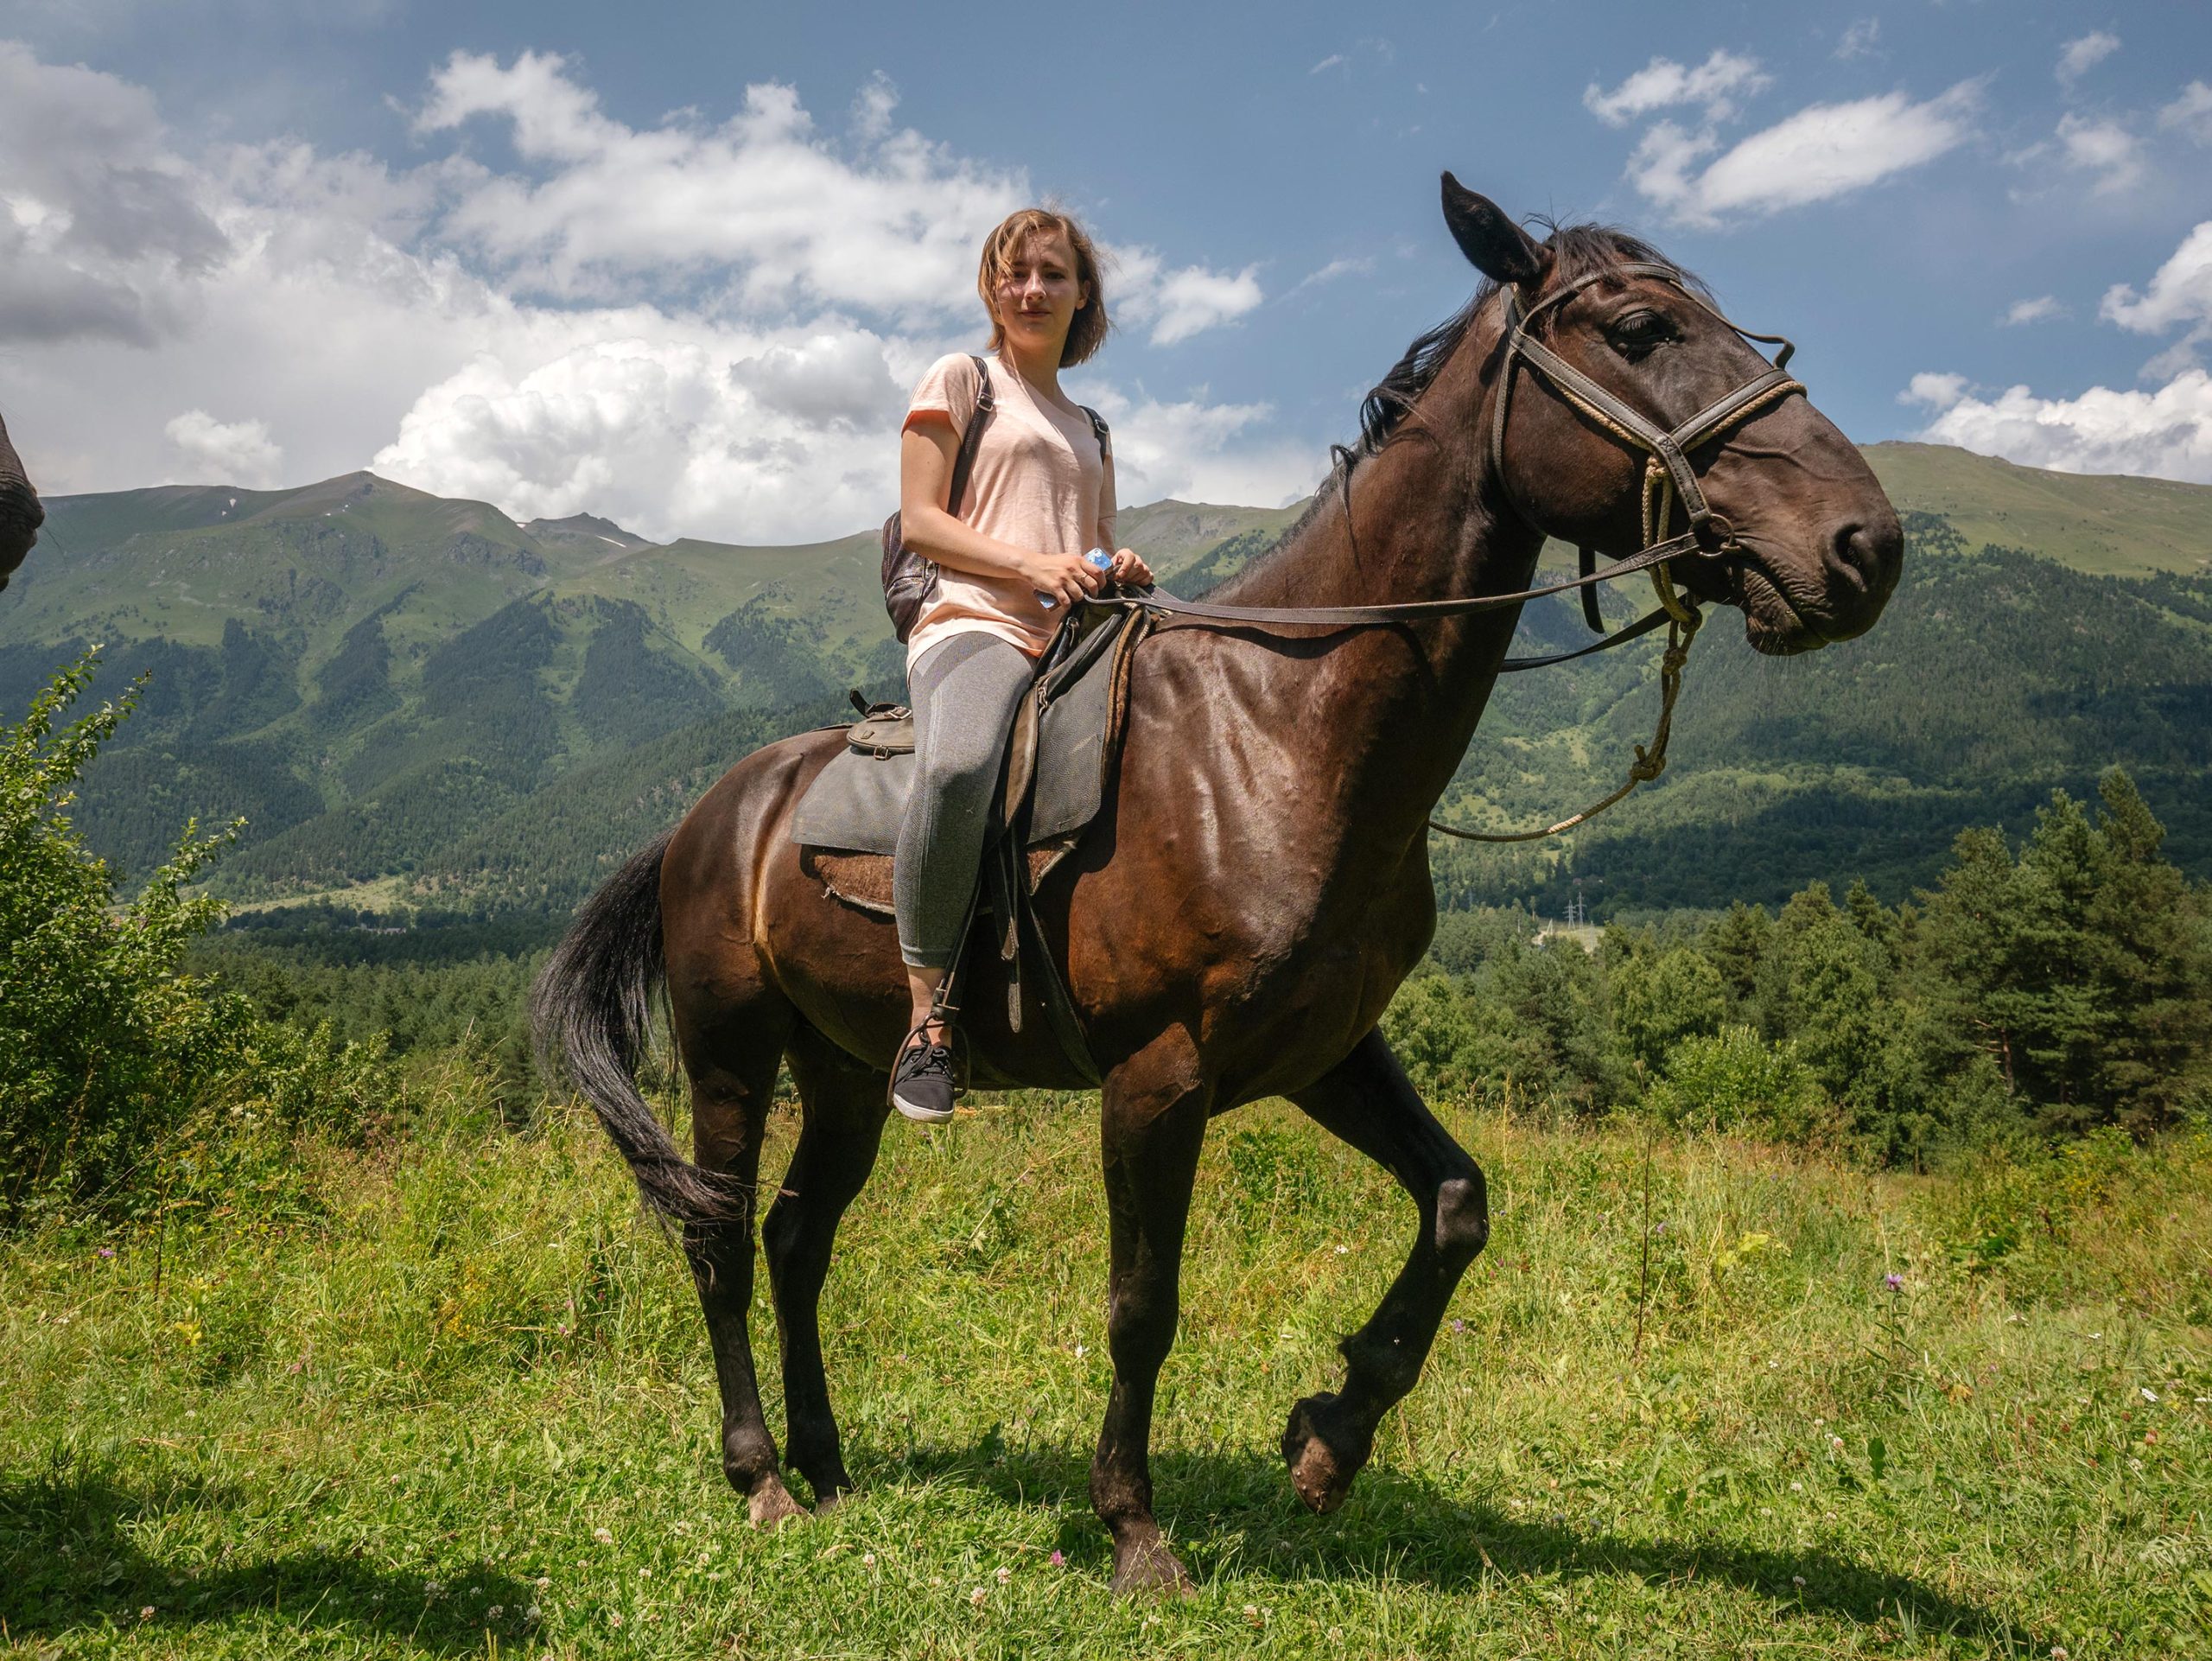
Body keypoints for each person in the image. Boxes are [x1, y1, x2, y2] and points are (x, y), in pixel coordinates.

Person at [888, 207, 1152, 1122]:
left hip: (1072, 637)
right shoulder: (963, 379)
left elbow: (1092, 544)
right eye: (1014, 273)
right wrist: (1035, 566)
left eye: (1052, 274)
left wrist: (1116, 569)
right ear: (991, 289)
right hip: (973, 623)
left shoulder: (1093, 426)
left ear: (1084, 297)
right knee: (961, 763)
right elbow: (921, 520)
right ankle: (927, 1019)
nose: (1031, 289)